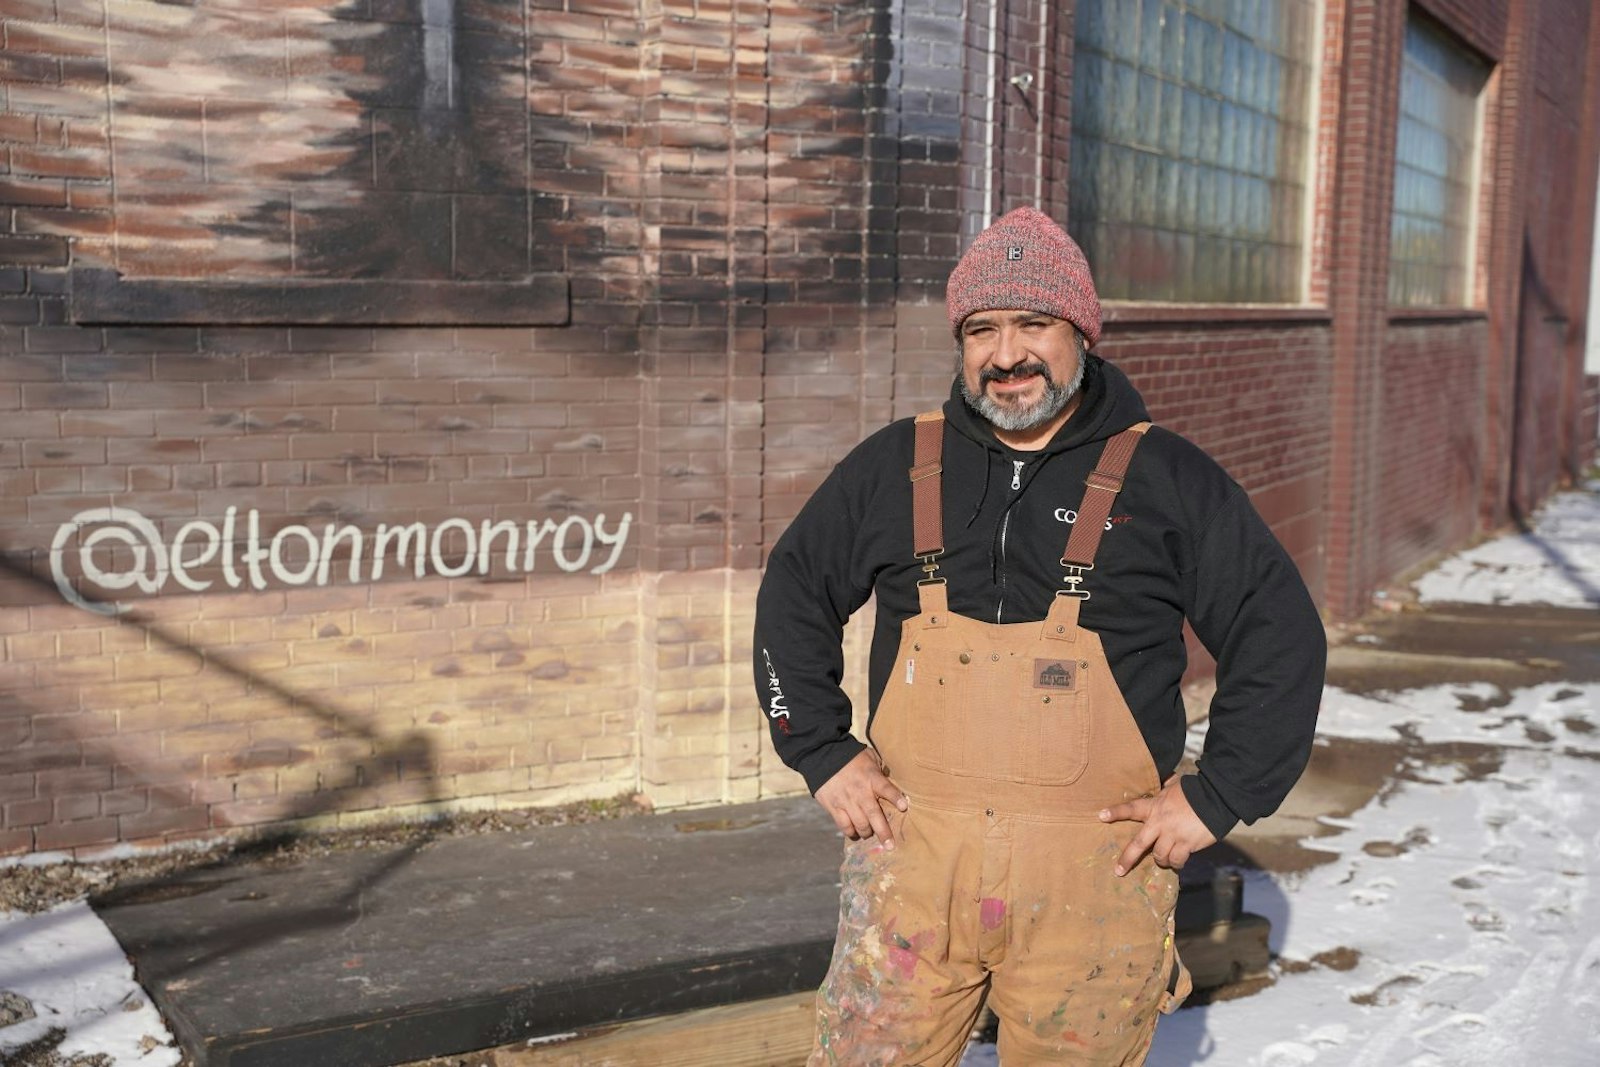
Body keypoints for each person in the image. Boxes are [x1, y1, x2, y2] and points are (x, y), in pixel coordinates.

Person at [753, 206, 1326, 1065]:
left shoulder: (1166, 479)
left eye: (1034, 324)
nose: (1007, 353)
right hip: (913, 872)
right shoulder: (895, 466)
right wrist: (821, 750)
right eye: (982, 329)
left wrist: (1219, 794)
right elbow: (793, 589)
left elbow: (1279, 630)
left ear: (1082, 333)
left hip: (1095, 885)